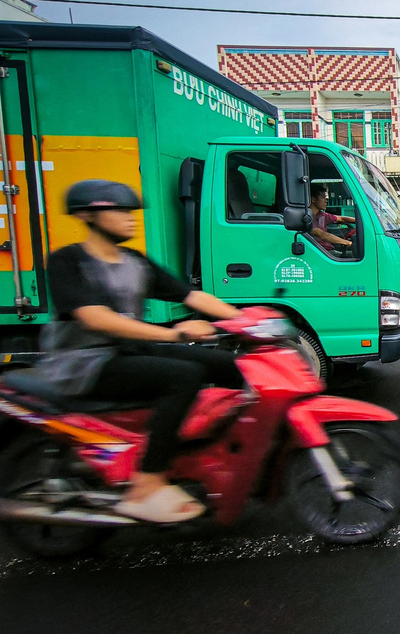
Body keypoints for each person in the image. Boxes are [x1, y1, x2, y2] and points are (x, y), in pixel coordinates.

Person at [36, 180, 246, 524]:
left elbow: (190, 296)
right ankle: (147, 484)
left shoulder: (134, 261)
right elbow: (95, 318)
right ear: (87, 215)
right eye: (119, 210)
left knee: (231, 366)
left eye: (130, 210)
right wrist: (175, 333)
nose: (130, 218)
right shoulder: (68, 261)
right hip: (85, 362)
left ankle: (211, 455)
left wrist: (248, 320)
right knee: (184, 377)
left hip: (128, 351)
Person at [309, 183, 355, 251]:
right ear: (313, 199)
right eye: (323, 198)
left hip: (329, 249)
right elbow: (323, 235)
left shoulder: (322, 215)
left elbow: (341, 219)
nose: (326, 200)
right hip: (320, 251)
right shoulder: (307, 218)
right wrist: (348, 243)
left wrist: (361, 221)